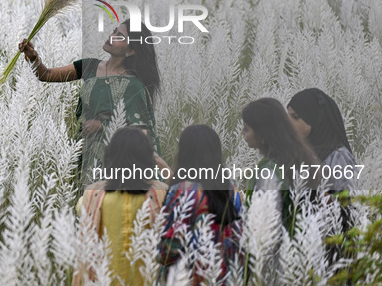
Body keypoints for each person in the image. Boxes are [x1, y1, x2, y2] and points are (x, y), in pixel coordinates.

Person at [19, 19, 163, 185]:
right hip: (83, 149)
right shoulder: (89, 66)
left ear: (131, 50)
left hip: (116, 159)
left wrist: (102, 126)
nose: (112, 36)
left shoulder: (133, 85)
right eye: (114, 30)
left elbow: (140, 133)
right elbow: (46, 75)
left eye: (120, 36)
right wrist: (33, 57)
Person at [74, 127, 168, 286]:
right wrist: (161, 163)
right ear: (147, 160)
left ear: (111, 159)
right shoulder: (161, 196)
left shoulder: (92, 199)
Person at [157, 125, 243, 285]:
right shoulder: (232, 190)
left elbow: (169, 249)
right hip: (225, 279)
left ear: (184, 154)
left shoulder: (182, 191)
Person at [241, 98, 322, 231]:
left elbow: (266, 223)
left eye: (246, 129)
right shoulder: (302, 157)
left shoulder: (269, 170)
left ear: (263, 134)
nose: (242, 133)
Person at [287, 88, 356, 192]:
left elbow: (347, 204)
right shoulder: (299, 151)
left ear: (314, 118)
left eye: (295, 117)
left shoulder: (338, 157)